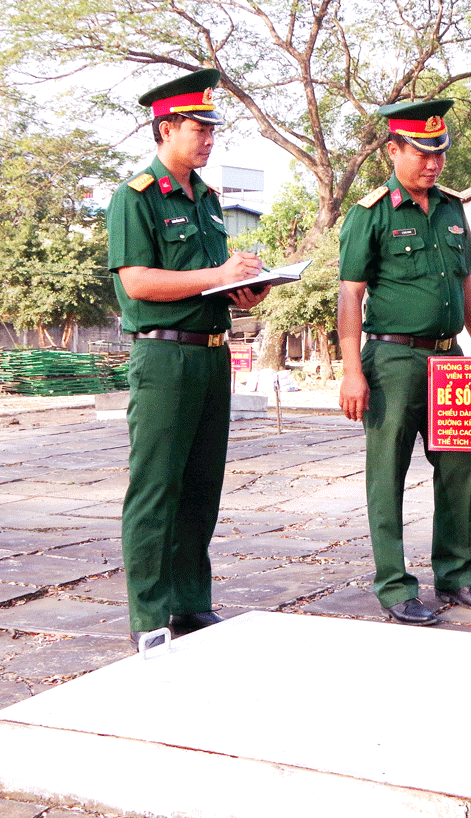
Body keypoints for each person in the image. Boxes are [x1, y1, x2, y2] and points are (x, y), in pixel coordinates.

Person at [107, 68, 271, 648]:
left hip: (211, 354)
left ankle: (190, 603)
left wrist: (244, 288)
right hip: (164, 358)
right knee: (156, 488)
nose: (207, 139)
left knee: (201, 486)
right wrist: (216, 275)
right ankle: (150, 615)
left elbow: (205, 283)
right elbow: (140, 283)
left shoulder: (207, 199)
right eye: (197, 128)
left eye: (211, 130)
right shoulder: (136, 198)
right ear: (165, 128)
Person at [337, 99, 471, 626]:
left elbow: (466, 281)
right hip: (392, 359)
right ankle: (394, 584)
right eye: (423, 154)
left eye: (440, 154)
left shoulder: (452, 208)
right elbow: (351, 293)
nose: (434, 164)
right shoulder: (370, 212)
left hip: (450, 361)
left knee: (459, 469)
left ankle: (457, 574)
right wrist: (351, 368)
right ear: (393, 149)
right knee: (388, 474)